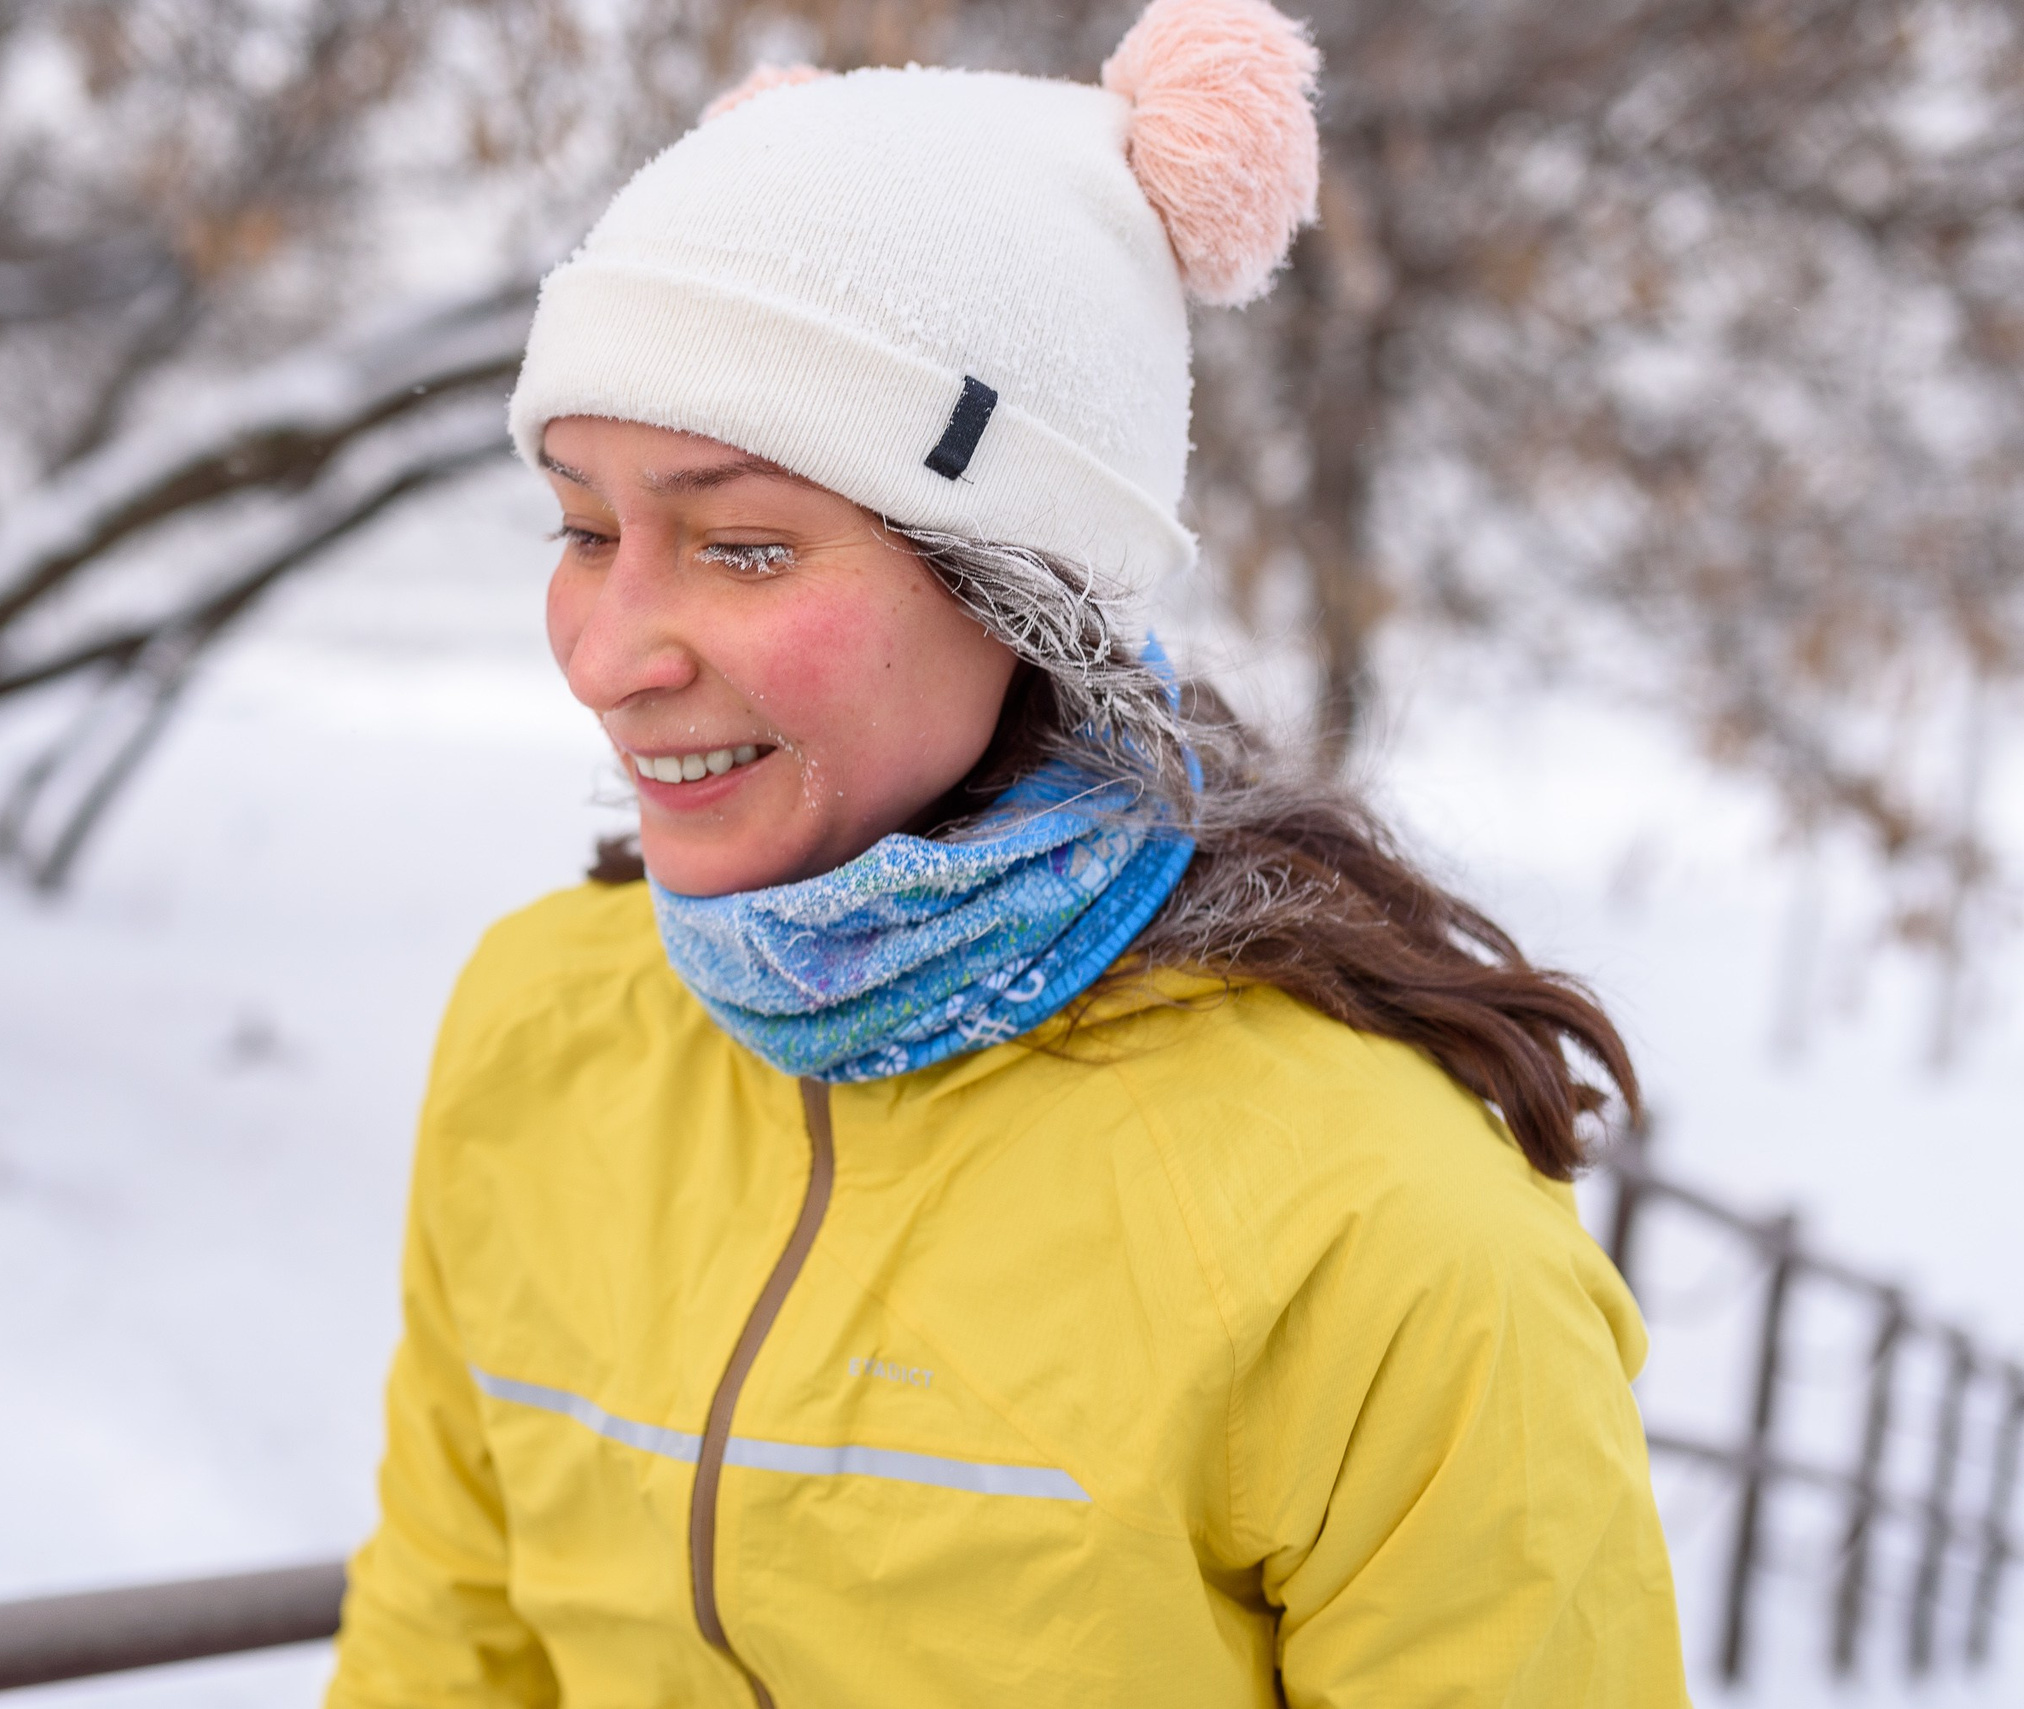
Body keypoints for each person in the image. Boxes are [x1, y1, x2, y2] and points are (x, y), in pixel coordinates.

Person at [327, 0, 1689, 1701]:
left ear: (1022, 596)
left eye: (743, 545)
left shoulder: (1372, 1230)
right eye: (586, 528)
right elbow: (446, 1649)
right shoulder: (540, 1030)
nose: (609, 652)